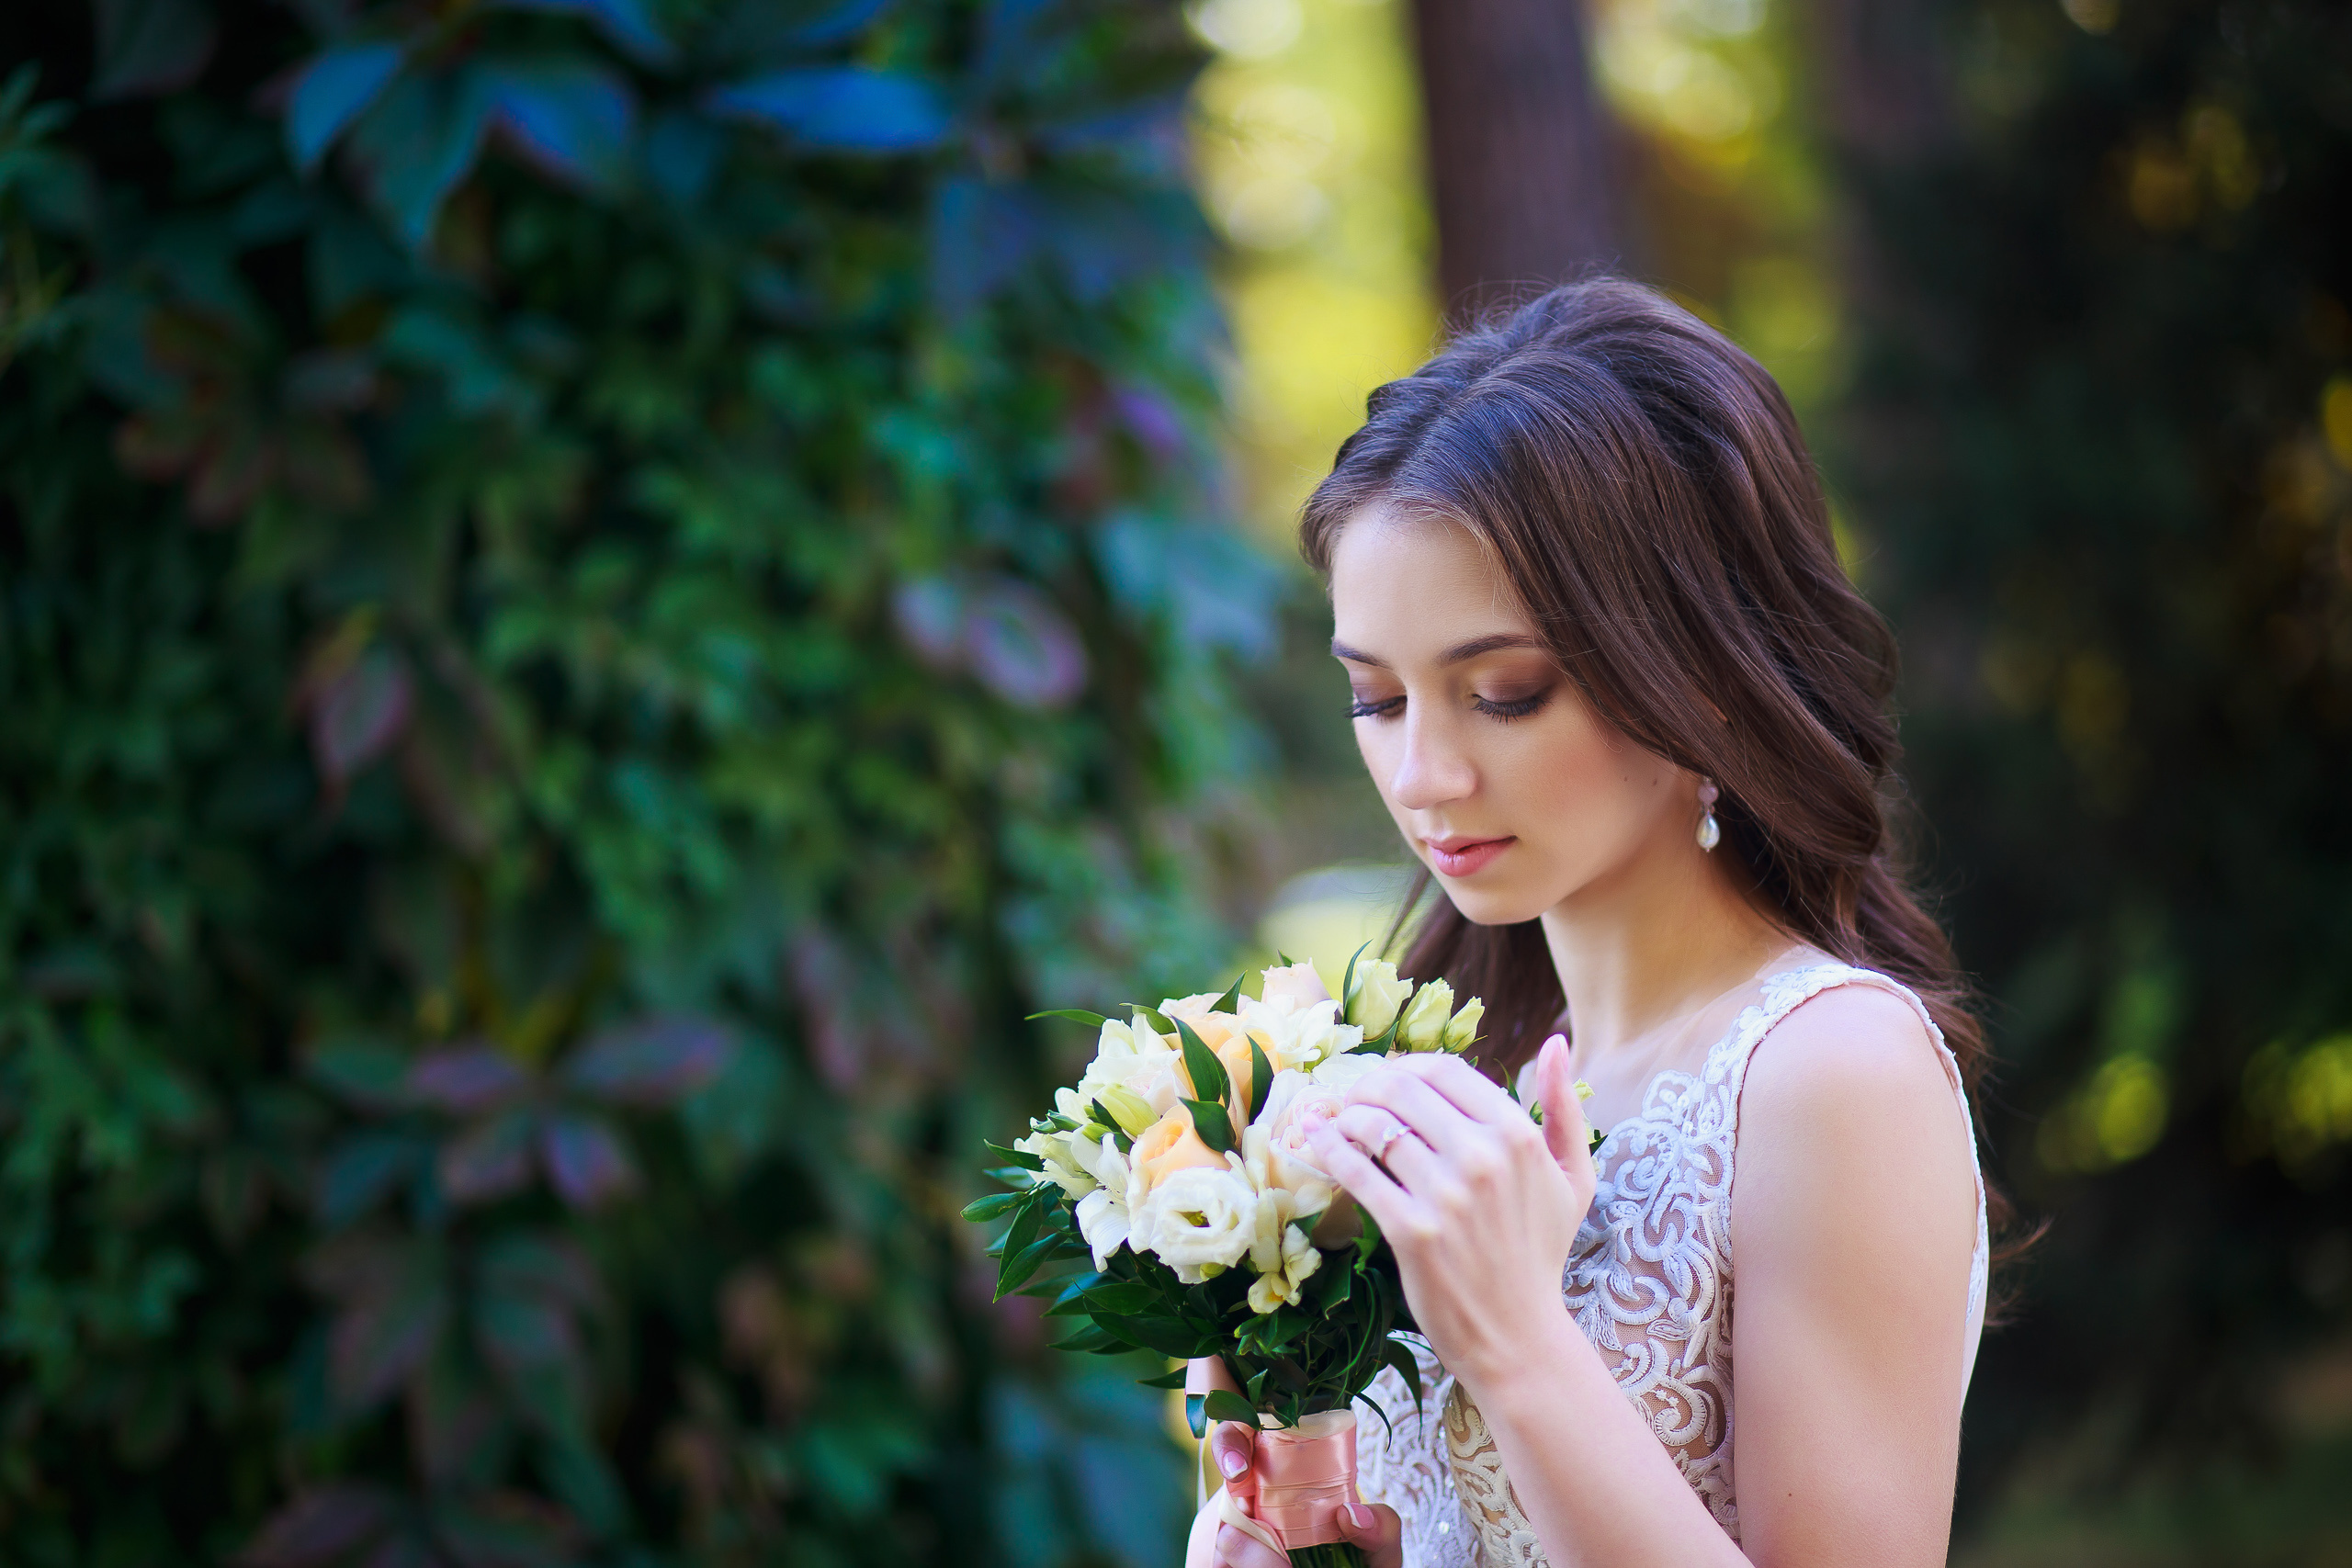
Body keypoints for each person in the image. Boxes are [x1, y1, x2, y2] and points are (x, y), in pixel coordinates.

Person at [1187, 279, 1993, 1568]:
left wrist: (1513, 1340)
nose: (1424, 776)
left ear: (1707, 672)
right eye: (1378, 699)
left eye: (1503, 694)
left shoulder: (1831, 1073)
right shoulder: (1451, 1072)